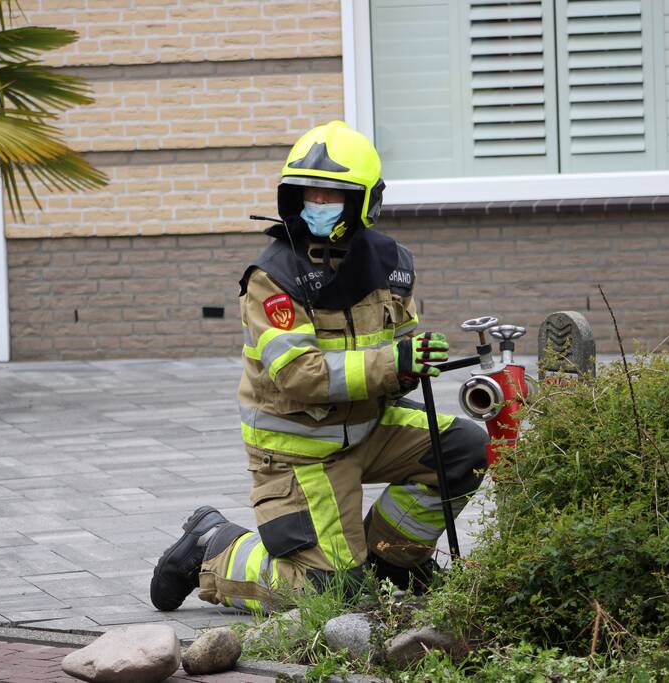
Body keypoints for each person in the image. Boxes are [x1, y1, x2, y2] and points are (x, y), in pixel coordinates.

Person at [150, 121, 488, 614]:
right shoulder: (272, 279)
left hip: (368, 429)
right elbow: (301, 376)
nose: (319, 203)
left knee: (466, 450)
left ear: (366, 201)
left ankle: (392, 558)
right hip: (300, 452)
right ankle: (213, 547)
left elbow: (398, 348)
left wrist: (415, 360)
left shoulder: (393, 264)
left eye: (332, 194)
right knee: (334, 596)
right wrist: (393, 363)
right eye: (309, 193)